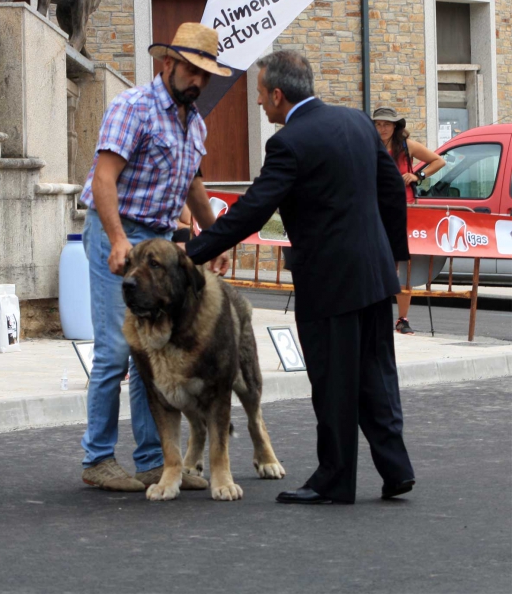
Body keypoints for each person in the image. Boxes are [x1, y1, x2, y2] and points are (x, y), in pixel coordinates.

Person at [185, 50, 415, 504]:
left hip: (329, 284)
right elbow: (392, 188)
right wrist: (390, 254)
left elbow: (253, 210)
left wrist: (191, 254)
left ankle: (335, 481)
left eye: (259, 96)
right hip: (374, 277)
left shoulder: (288, 143)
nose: (258, 106)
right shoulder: (356, 122)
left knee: (332, 384)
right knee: (376, 377)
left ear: (277, 94)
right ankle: (396, 469)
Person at [79, 23, 231, 492]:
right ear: (167, 63)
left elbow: (193, 184)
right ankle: (97, 457)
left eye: (206, 75)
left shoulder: (195, 122)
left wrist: (216, 237)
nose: (198, 81)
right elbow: (104, 180)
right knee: (117, 349)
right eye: (191, 69)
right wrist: (118, 238)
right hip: (118, 235)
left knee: (153, 353)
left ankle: (154, 461)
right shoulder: (134, 108)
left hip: (160, 244)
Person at [373, 106, 446, 335]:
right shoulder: (368, 144)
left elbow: (438, 161)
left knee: (401, 266)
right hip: (374, 210)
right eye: (378, 124)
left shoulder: (406, 146)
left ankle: (402, 320)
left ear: (395, 126)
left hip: (403, 210)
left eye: (387, 124)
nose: (382, 128)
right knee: (375, 264)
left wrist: (417, 176)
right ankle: (375, 316)